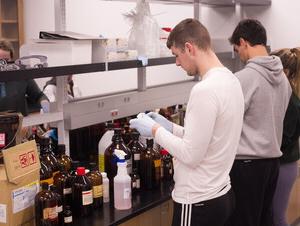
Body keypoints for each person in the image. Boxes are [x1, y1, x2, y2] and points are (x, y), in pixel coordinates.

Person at [129, 18, 244, 226]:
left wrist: (155, 130)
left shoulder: (204, 90)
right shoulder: (231, 80)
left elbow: (191, 155)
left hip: (197, 202)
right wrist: (171, 127)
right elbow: (209, 137)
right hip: (221, 195)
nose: (177, 63)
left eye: (176, 55)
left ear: (189, 48)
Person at [225, 19, 291, 226]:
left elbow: (226, 122)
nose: (239, 56)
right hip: (272, 164)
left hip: (246, 165)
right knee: (264, 220)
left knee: (243, 221)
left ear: (243, 42)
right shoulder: (283, 78)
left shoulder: (243, 78)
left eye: (237, 49)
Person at [271, 47, 300, 226]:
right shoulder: (287, 96)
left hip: (284, 166)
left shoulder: (292, 103)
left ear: (286, 72)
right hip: (284, 164)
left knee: (278, 216)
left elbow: (282, 141)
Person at [0, 40, 49, 116]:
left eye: (6, 60)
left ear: (12, 59)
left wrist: (45, 104)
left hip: (22, 125)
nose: (2, 64)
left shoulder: (21, 74)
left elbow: (39, 96)